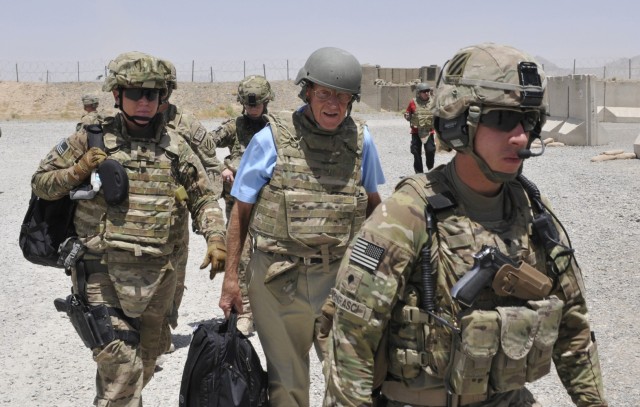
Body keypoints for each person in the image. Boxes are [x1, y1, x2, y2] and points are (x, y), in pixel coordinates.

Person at [324, 43, 608, 407]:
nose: (521, 136)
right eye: (502, 120)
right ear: (460, 121)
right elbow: (351, 341)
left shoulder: (531, 209)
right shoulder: (406, 215)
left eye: (530, 120)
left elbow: (573, 329)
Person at [31, 51, 226, 406]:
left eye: (152, 94)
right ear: (117, 95)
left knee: (146, 363)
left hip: (158, 275)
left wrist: (216, 238)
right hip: (100, 270)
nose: (144, 102)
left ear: (162, 98)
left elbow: (203, 197)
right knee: (123, 370)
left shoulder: (175, 146)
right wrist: (77, 172)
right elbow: (41, 184)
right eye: (135, 93)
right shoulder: (88, 139)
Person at [218, 46, 386, 406]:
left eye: (342, 95)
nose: (333, 103)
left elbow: (375, 211)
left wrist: (374, 272)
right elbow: (241, 211)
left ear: (352, 100)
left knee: (352, 383)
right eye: (324, 92)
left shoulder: (362, 141)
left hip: (341, 280)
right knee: (288, 385)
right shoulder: (271, 139)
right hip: (278, 281)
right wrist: (232, 279)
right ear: (307, 91)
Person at [156, 57, 226, 342]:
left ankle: (162, 327)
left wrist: (202, 201)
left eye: (160, 89)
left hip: (175, 209)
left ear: (170, 89)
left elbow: (211, 162)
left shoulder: (185, 123)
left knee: (174, 275)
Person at [211, 74, 275, 335]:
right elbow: (202, 145)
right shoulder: (233, 127)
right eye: (248, 106)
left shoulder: (276, 127)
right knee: (242, 255)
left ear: (266, 102)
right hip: (238, 202)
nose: (252, 110)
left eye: (257, 105)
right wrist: (222, 168)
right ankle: (245, 311)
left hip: (270, 202)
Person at [404, 82, 436, 173]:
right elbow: (408, 113)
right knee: (416, 152)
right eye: (424, 91)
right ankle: (419, 173)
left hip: (429, 131)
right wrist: (407, 116)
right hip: (416, 132)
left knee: (430, 151)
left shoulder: (433, 102)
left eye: (428, 91)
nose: (426, 93)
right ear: (419, 93)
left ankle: (430, 169)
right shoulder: (413, 102)